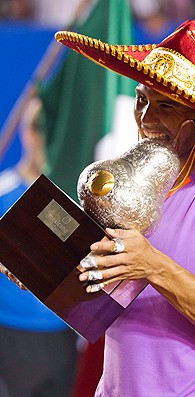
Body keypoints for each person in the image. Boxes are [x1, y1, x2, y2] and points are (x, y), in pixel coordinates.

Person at [11, 20, 195, 396]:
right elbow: (97, 304)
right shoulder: (125, 180)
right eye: (142, 99)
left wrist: (153, 266)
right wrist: (42, 269)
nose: (146, 119)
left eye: (165, 106)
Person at [0, 97, 78, 397]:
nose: (45, 136)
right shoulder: (3, 192)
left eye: (52, 128)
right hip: (8, 335)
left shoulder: (72, 202)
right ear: (26, 132)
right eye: (40, 127)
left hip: (59, 339)